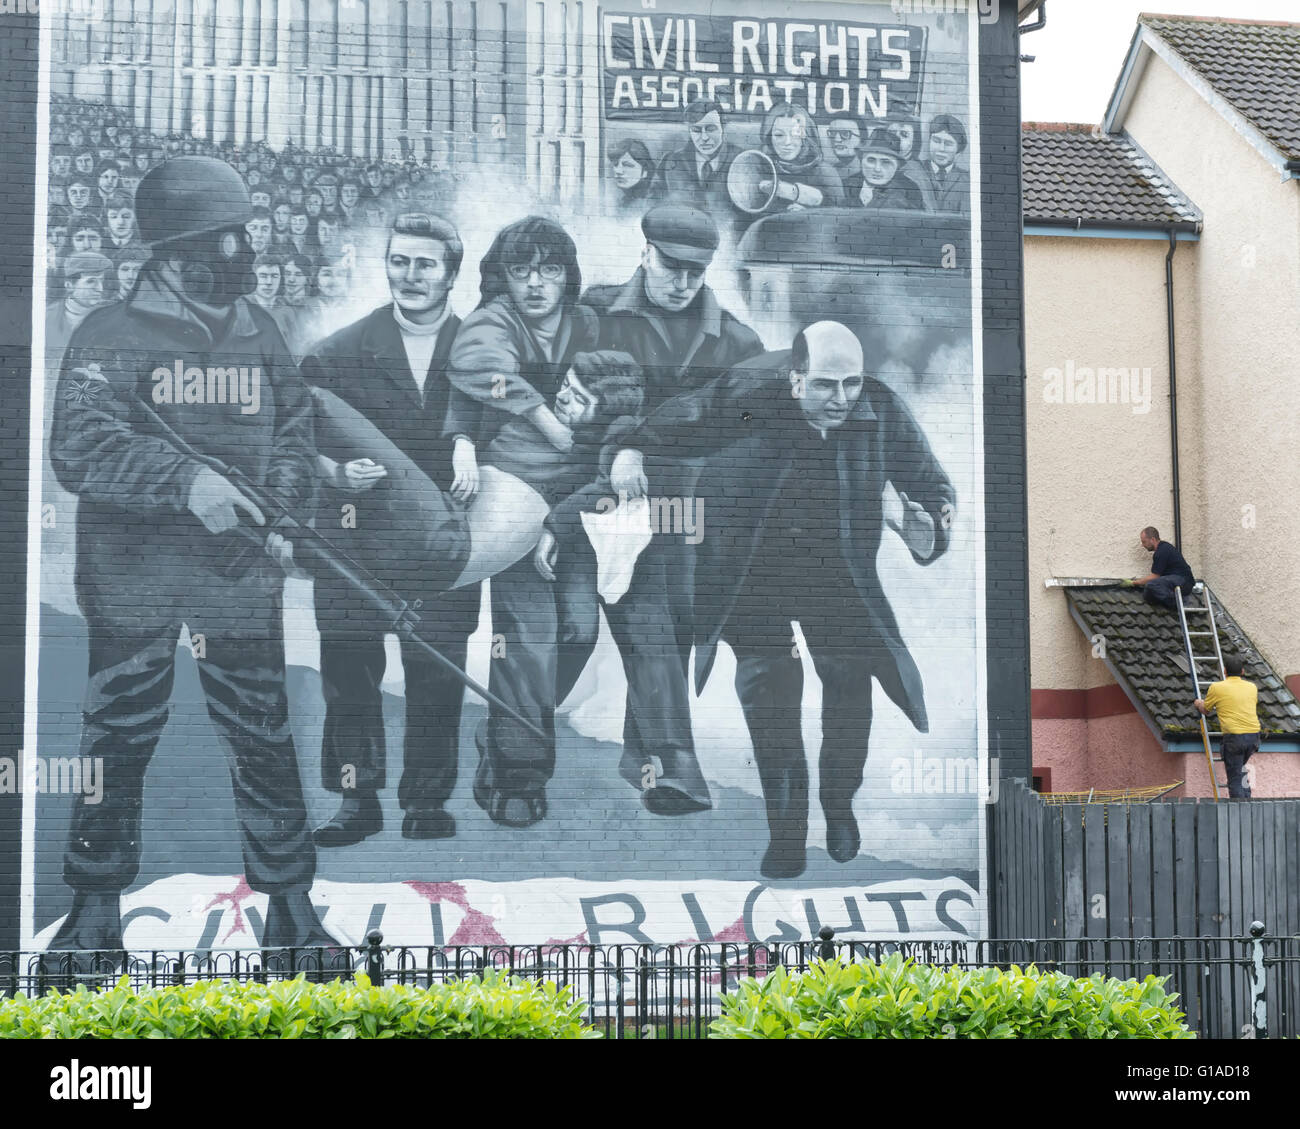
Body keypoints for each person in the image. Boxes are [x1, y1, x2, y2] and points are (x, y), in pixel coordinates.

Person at [46, 156, 333, 950]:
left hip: (237, 576)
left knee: (264, 736)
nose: (248, 251)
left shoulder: (259, 329)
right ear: (176, 252)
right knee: (117, 732)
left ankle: (291, 909)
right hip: (133, 579)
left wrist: (281, 509)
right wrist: (186, 480)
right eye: (230, 238)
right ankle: (95, 906)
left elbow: (295, 428)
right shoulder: (111, 334)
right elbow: (78, 445)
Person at [614, 321, 956, 879]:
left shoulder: (880, 409)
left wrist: (928, 532)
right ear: (794, 380)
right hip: (753, 575)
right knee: (773, 702)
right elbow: (673, 423)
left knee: (850, 692)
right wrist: (627, 452)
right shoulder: (746, 395)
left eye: (851, 384)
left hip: (837, 575)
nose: (841, 399)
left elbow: (933, 487)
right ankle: (788, 833)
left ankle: (839, 803)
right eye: (824, 385)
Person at [577, 204, 764, 814]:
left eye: (696, 272)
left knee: (672, 615)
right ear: (645, 252)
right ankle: (675, 764)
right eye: (671, 267)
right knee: (651, 608)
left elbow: (746, 440)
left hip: (688, 511)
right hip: (596, 495)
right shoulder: (595, 315)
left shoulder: (737, 342)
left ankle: (647, 758)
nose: (683, 283)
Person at [300, 212, 478, 847]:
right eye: (400, 261)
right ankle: (355, 799)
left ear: (452, 274)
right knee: (350, 669)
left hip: (447, 537)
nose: (410, 275)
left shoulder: (485, 351)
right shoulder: (336, 353)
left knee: (438, 667)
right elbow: (290, 439)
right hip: (353, 534)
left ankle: (426, 800)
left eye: (425, 263)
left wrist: (470, 445)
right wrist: (335, 472)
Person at [447, 216, 600, 828]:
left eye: (550, 269)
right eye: (521, 270)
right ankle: (519, 777)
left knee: (579, 633)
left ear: (568, 275)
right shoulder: (493, 320)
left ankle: (511, 725)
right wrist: (470, 438)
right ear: (502, 276)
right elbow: (476, 370)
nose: (536, 284)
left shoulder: (590, 324)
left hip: (580, 503)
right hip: (514, 491)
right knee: (527, 637)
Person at [652, 99, 741, 218]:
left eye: (710, 129)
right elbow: (651, 205)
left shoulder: (742, 160)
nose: (704, 137)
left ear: (723, 127)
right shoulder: (671, 162)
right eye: (696, 130)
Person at [754, 102, 845, 215]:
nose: (787, 142)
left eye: (795, 135)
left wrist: (810, 215)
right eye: (779, 135)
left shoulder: (824, 173)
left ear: (805, 137)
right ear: (769, 138)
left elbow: (839, 217)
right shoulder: (761, 169)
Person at [1195, 655, 1261, 798]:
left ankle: (1240, 813)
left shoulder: (1217, 687)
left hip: (1235, 737)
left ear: (1225, 671)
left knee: (1235, 779)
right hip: (1253, 737)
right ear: (1242, 671)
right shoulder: (1252, 687)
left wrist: (1198, 703)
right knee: (1240, 769)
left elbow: (1206, 710)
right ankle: (1247, 800)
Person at [846, 130, 927, 211]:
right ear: (861, 160)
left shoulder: (909, 192)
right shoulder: (847, 185)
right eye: (871, 160)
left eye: (886, 162)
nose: (877, 169)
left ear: (897, 166)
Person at [919, 113, 971, 216]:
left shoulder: (967, 180)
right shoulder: (916, 170)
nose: (941, 149)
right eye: (936, 141)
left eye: (948, 144)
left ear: (958, 149)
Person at [1131, 526, 1195, 610]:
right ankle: (1174, 602)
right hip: (1180, 582)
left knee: (1151, 585)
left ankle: (1182, 602)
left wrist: (1135, 583)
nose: (1143, 545)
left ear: (1153, 539)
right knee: (1148, 594)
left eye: (1144, 542)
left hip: (1182, 581)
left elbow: (1155, 576)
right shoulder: (1165, 547)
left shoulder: (1162, 551)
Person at [606, 138, 657, 216]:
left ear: (645, 172)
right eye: (615, 164)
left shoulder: (651, 204)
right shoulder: (622, 203)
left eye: (627, 165)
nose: (618, 171)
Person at [823, 114, 865, 181]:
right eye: (832, 133)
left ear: (862, 140)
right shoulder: (828, 172)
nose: (837, 139)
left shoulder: (866, 174)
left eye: (845, 134)